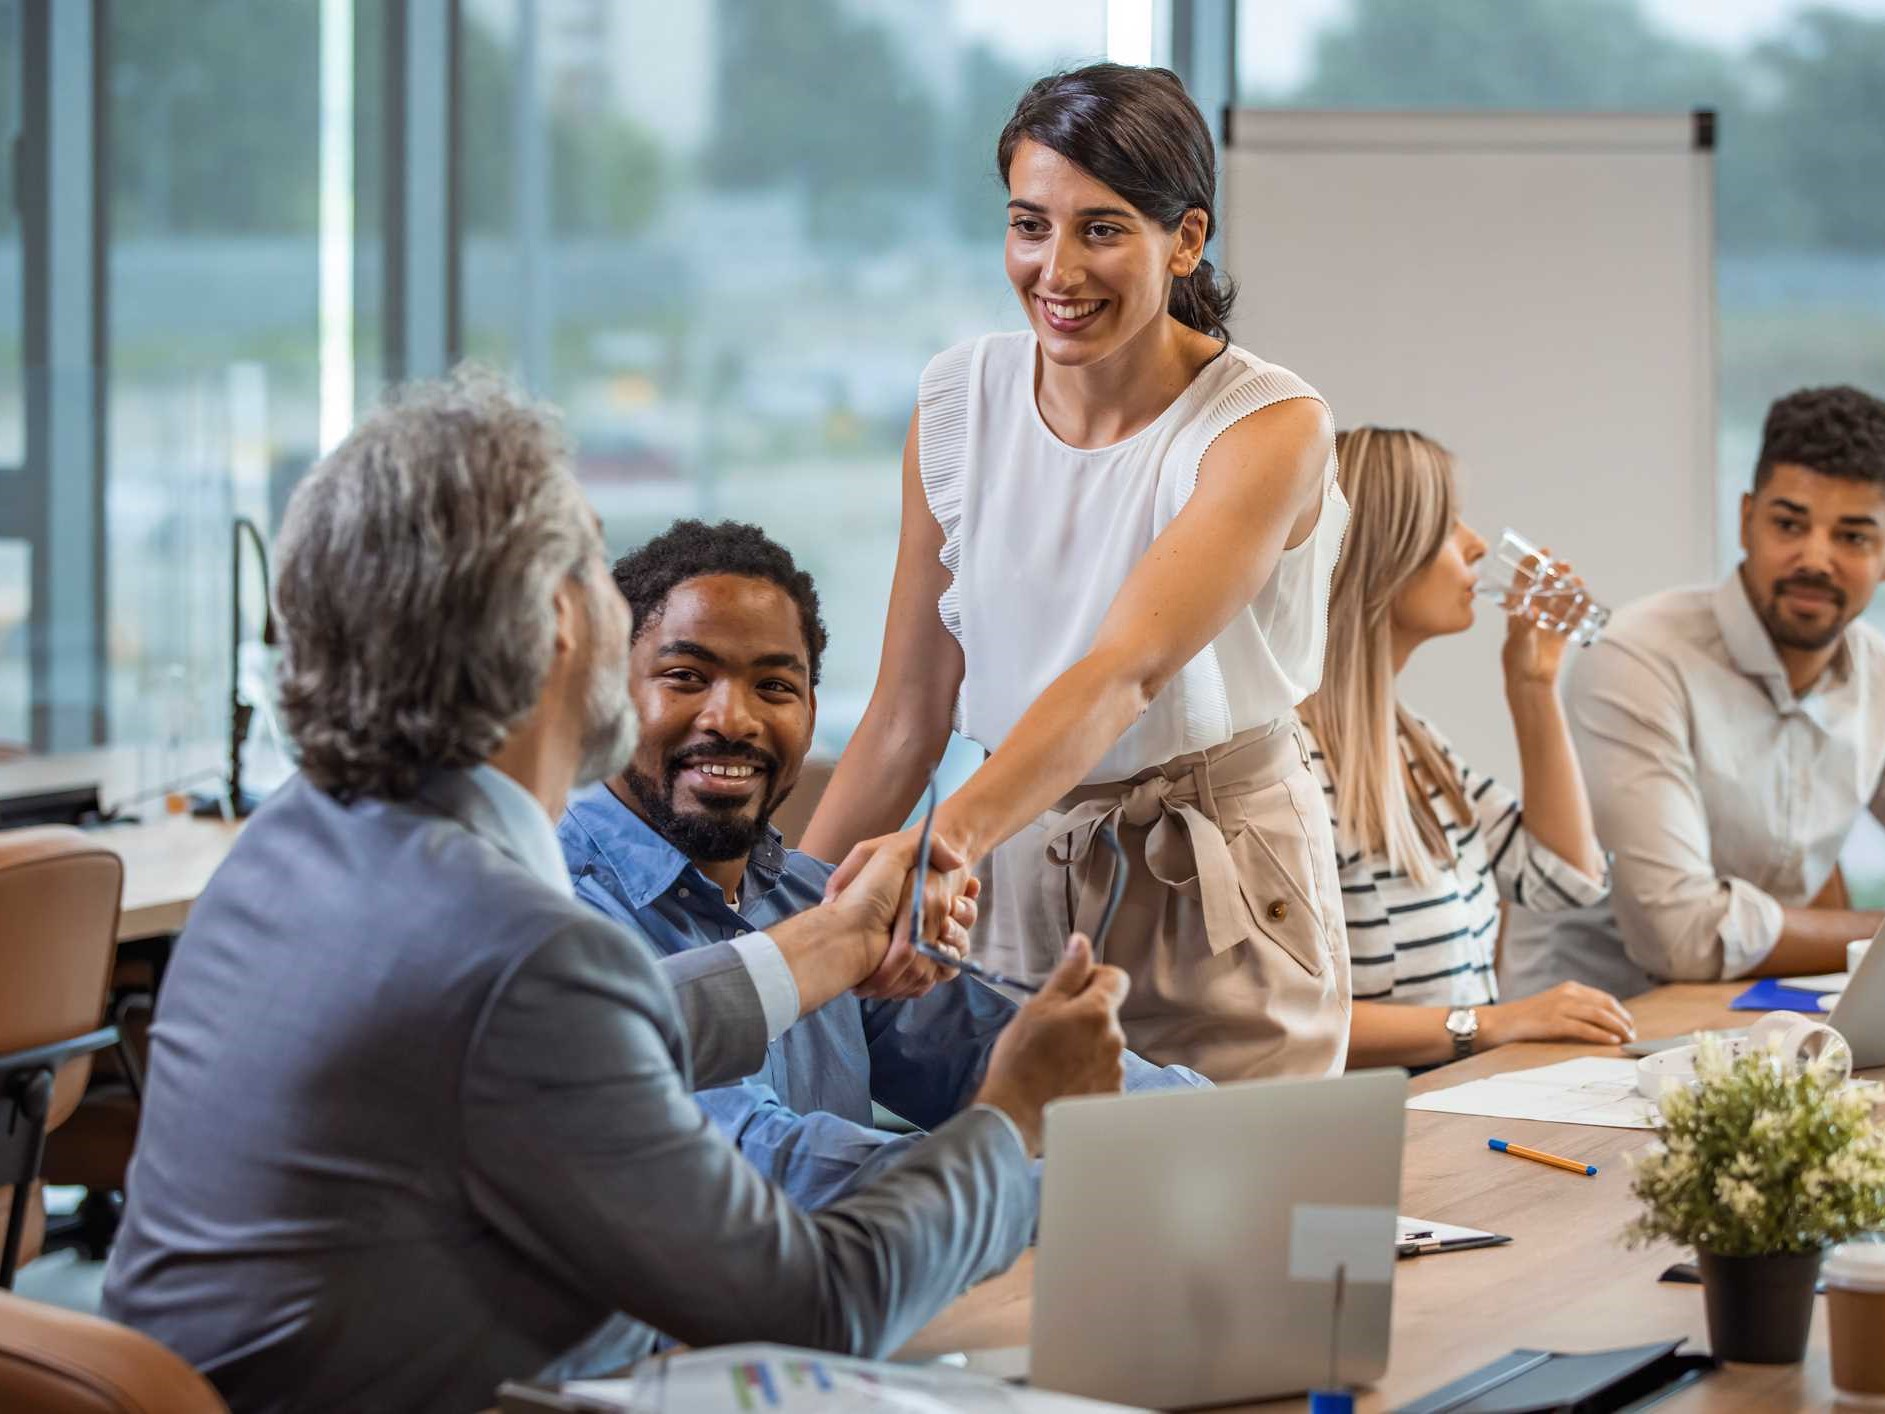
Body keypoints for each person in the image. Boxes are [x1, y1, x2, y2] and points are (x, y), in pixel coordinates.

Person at [101, 371, 1132, 1414]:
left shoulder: (289, 846)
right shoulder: (519, 953)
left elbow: (575, 1032)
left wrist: (831, 941)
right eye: (601, 570)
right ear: (559, 617)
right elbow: (815, 1303)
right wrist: (1011, 1120)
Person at [800, 64, 1351, 1082]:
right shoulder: (958, 399)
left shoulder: (1267, 426)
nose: (1055, 270)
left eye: (1100, 229)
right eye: (1029, 225)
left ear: (1183, 239)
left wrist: (942, 844)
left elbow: (1124, 670)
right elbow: (908, 715)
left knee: (1227, 1181)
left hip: (1213, 879)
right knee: (1026, 1174)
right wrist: (786, 924)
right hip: (1012, 856)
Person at [558, 519, 1208, 1208]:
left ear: (811, 712)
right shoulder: (557, 915)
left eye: (774, 686)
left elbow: (985, 1050)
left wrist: (1219, 1130)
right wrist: (1047, 1176)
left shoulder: (812, 897)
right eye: (685, 677)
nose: (732, 719)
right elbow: (764, 1166)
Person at [1506, 385, 1885, 997]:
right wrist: (1876, 936)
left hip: (1751, 1015)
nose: (1815, 559)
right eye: (1789, 524)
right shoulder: (1638, 657)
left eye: (1853, 536)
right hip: (1592, 1027)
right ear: (1746, 520)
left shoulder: (1876, 673)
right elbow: (1680, 937)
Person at [1294, 428, 1631, 1068]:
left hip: (1453, 1099)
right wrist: (1492, 1023)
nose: (1476, 544)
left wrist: (1533, 688)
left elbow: (1566, 878)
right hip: (1382, 1116)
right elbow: (1290, 1022)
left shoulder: (1416, 745)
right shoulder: (1287, 765)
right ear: (1385, 553)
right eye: (1448, 525)